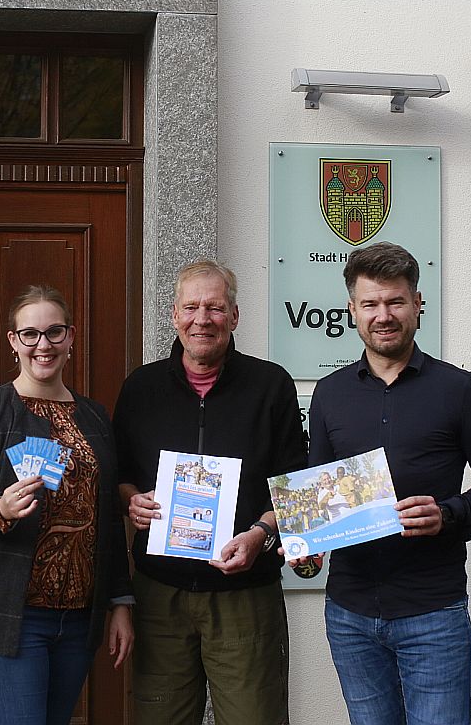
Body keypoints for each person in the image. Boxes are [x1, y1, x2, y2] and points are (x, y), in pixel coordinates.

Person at [307, 242, 471, 725]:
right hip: (350, 615)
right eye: (370, 304)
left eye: (395, 302)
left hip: (432, 614)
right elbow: (317, 490)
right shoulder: (330, 393)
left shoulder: (459, 388)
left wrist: (449, 513)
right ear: (353, 311)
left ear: (417, 305)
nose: (383, 315)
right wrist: (308, 541)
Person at [114, 260, 307, 725]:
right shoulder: (142, 387)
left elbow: (294, 484)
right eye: (192, 307)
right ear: (174, 315)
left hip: (244, 594)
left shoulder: (270, 385)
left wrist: (260, 534)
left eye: (216, 308)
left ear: (235, 317)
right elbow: (119, 475)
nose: (203, 318)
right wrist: (130, 501)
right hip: (160, 593)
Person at [0, 285, 134, 725]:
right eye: (29, 334)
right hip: (7, 615)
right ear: (13, 341)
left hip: (76, 619)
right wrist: (0, 510)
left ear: (71, 338)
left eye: (54, 332)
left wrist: (120, 602)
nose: (43, 345)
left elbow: (108, 520)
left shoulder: (94, 417)